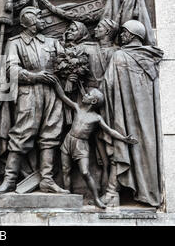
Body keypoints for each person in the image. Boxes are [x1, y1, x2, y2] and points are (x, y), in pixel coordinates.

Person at [0, 6, 68, 194]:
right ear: (30, 22)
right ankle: (10, 180)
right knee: (22, 133)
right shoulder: (15, 43)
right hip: (29, 92)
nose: (44, 20)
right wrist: (35, 76)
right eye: (40, 17)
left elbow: (65, 64)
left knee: (51, 135)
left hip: (53, 92)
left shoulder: (52, 42)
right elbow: (11, 70)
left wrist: (71, 69)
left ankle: (47, 180)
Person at [100, 20, 164, 207]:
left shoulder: (119, 56)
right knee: (144, 148)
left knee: (120, 144)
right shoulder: (150, 56)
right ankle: (147, 191)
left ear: (132, 35)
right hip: (146, 116)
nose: (121, 36)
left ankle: (113, 192)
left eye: (124, 33)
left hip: (123, 111)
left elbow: (107, 85)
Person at [52, 80, 137, 209]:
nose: (85, 95)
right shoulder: (77, 107)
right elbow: (63, 96)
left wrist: (124, 139)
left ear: (93, 101)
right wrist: (55, 83)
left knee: (85, 172)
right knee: (66, 170)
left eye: (88, 94)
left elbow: (110, 131)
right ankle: (67, 195)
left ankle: (96, 198)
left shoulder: (97, 118)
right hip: (68, 141)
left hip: (81, 146)